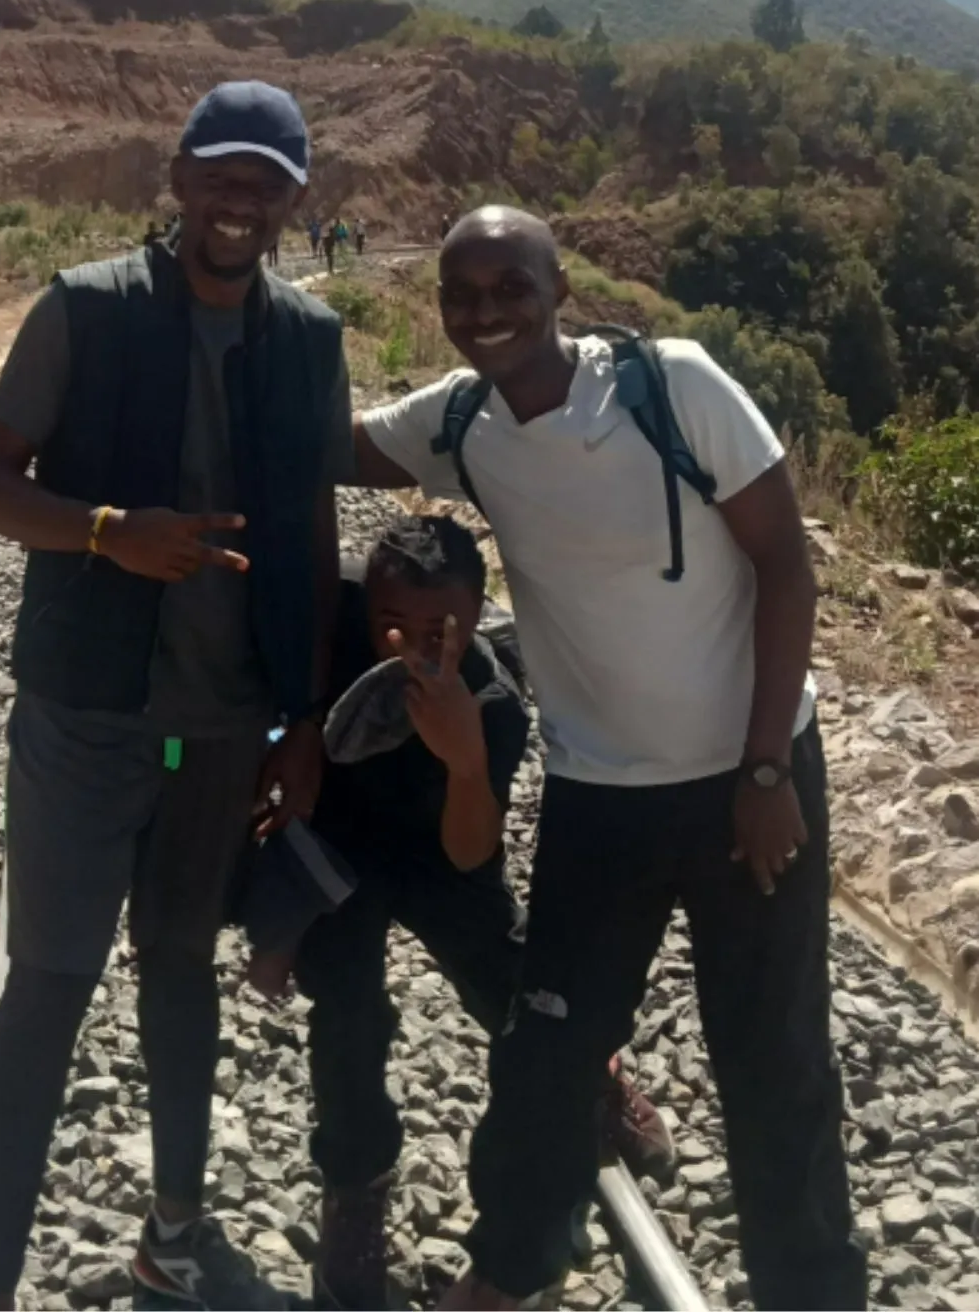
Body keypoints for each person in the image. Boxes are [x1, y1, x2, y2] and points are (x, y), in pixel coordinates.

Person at [353, 208, 865, 1311]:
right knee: (548, 1044)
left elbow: (784, 563)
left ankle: (812, 1292)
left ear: (557, 287)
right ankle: (511, 1265)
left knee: (771, 1060)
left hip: (748, 782)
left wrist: (769, 770)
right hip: (600, 796)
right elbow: (317, 439)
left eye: (509, 284)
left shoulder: (670, 384)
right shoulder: (457, 418)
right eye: (463, 292)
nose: (486, 310)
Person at [0, 81, 352, 1311]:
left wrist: (302, 723)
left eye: (264, 180)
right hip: (87, 716)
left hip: (218, 734)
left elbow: (316, 526)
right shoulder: (86, 308)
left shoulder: (308, 338)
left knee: (179, 965)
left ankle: (174, 1232)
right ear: (177, 179)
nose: (238, 199)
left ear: (294, 200)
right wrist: (106, 532)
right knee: (49, 982)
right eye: (218, 174)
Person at [241, 516, 671, 1311]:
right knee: (345, 1016)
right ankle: (355, 1188)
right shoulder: (327, 622)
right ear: (364, 605)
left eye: (443, 629)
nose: (413, 643)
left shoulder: (493, 701)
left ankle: (600, 1081)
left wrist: (464, 756)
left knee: (515, 989)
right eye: (390, 624)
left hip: (440, 855)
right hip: (339, 849)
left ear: (475, 619)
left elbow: (473, 852)